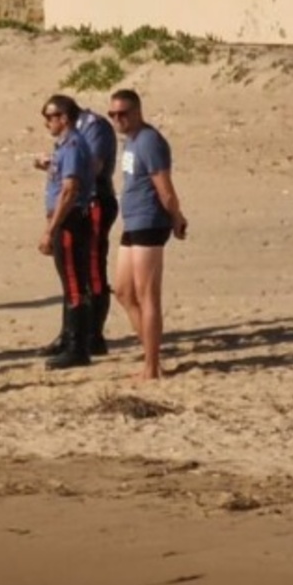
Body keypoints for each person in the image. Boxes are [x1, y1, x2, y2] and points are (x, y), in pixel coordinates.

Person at [108, 89, 189, 380]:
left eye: (123, 113)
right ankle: (152, 352)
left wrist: (176, 217)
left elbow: (164, 188)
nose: (118, 119)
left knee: (147, 294)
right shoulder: (130, 142)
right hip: (132, 221)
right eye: (113, 114)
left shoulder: (150, 141)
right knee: (123, 291)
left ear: (137, 112)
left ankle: (152, 366)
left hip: (150, 221)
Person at [34, 95, 96, 370]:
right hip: (69, 219)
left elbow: (70, 190)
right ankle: (70, 340)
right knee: (70, 280)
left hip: (70, 221)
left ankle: (77, 346)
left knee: (73, 282)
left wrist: (51, 228)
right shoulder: (66, 146)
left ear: (65, 118)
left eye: (51, 117)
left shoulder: (72, 144)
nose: (47, 123)